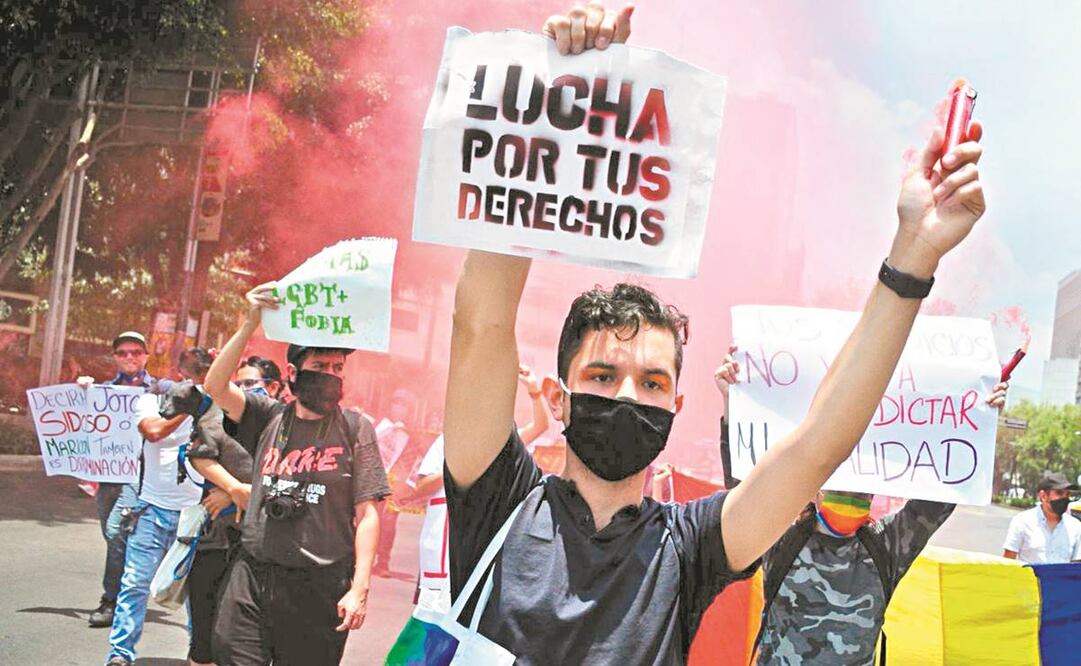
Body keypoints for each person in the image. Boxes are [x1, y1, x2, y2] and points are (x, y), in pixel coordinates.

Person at [439, 3, 987, 662]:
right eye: (603, 376)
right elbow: (480, 325)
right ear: (558, 400)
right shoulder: (496, 498)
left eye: (651, 381)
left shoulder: (692, 545)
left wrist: (912, 255)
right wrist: (547, 106)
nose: (627, 396)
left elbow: (817, 445)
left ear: (675, 406)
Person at [714, 348, 1009, 664]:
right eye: (840, 480)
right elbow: (743, 491)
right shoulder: (781, 536)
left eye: (862, 488)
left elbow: (939, 492)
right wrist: (735, 404)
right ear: (818, 484)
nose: (853, 493)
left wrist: (978, 419)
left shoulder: (886, 545)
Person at [204, 292, 390, 666]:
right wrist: (249, 322)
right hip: (253, 574)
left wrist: (360, 588)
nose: (331, 375)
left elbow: (368, 513)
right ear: (293, 373)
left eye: (339, 368)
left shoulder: (356, 429)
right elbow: (215, 387)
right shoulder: (266, 416)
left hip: (319, 584)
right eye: (321, 364)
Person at [402, 363, 552, 612]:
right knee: (428, 636)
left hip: (483, 558)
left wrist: (535, 392)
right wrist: (458, 468)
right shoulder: (450, 438)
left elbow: (540, 426)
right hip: (443, 557)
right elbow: (422, 486)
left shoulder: (502, 444)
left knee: (469, 632)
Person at [104, 348, 210, 666]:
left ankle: (198, 654)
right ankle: (120, 655)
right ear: (178, 374)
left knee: (197, 590)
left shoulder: (216, 404)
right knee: (135, 582)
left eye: (201, 376)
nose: (194, 381)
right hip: (151, 509)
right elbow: (153, 431)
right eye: (190, 375)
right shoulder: (151, 400)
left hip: (195, 513)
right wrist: (191, 407)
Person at [185, 355, 284, 666]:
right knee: (203, 633)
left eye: (251, 384)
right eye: (238, 384)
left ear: (275, 387)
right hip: (215, 538)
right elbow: (198, 456)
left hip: (263, 546)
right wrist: (232, 488)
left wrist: (240, 495)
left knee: (243, 638)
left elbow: (294, 479)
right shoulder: (215, 417)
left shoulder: (287, 424)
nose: (242, 390)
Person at [77, 330, 165, 629]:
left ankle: (112, 600)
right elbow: (82, 422)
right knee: (113, 537)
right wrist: (82, 392)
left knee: (125, 535)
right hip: (111, 477)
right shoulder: (103, 392)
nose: (129, 357)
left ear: (146, 356)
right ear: (114, 357)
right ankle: (126, 591)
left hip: (147, 477)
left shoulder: (162, 390)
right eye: (123, 352)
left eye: (136, 352)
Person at [1003, 472, 1081, 564]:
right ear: (1044, 496)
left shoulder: (1075, 527)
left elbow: (1076, 567)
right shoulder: (1022, 521)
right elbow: (1008, 560)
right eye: (1059, 493)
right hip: (1030, 578)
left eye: (1067, 494)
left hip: (1061, 578)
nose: (1065, 498)